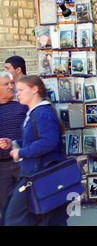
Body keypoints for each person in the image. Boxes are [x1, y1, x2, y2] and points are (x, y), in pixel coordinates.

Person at [0, 75, 68, 226]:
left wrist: (21, 152)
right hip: (33, 173)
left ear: (35, 90)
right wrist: (13, 143)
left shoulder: (42, 112)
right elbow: (34, 140)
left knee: (14, 217)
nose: (17, 93)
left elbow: (48, 142)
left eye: (21, 90)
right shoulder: (34, 112)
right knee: (45, 218)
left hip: (39, 173)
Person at [0, 72, 28, 211]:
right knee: (7, 207)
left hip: (23, 163)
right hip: (2, 168)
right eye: (6, 84)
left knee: (30, 203)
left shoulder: (21, 105)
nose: (11, 87)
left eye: (11, 83)